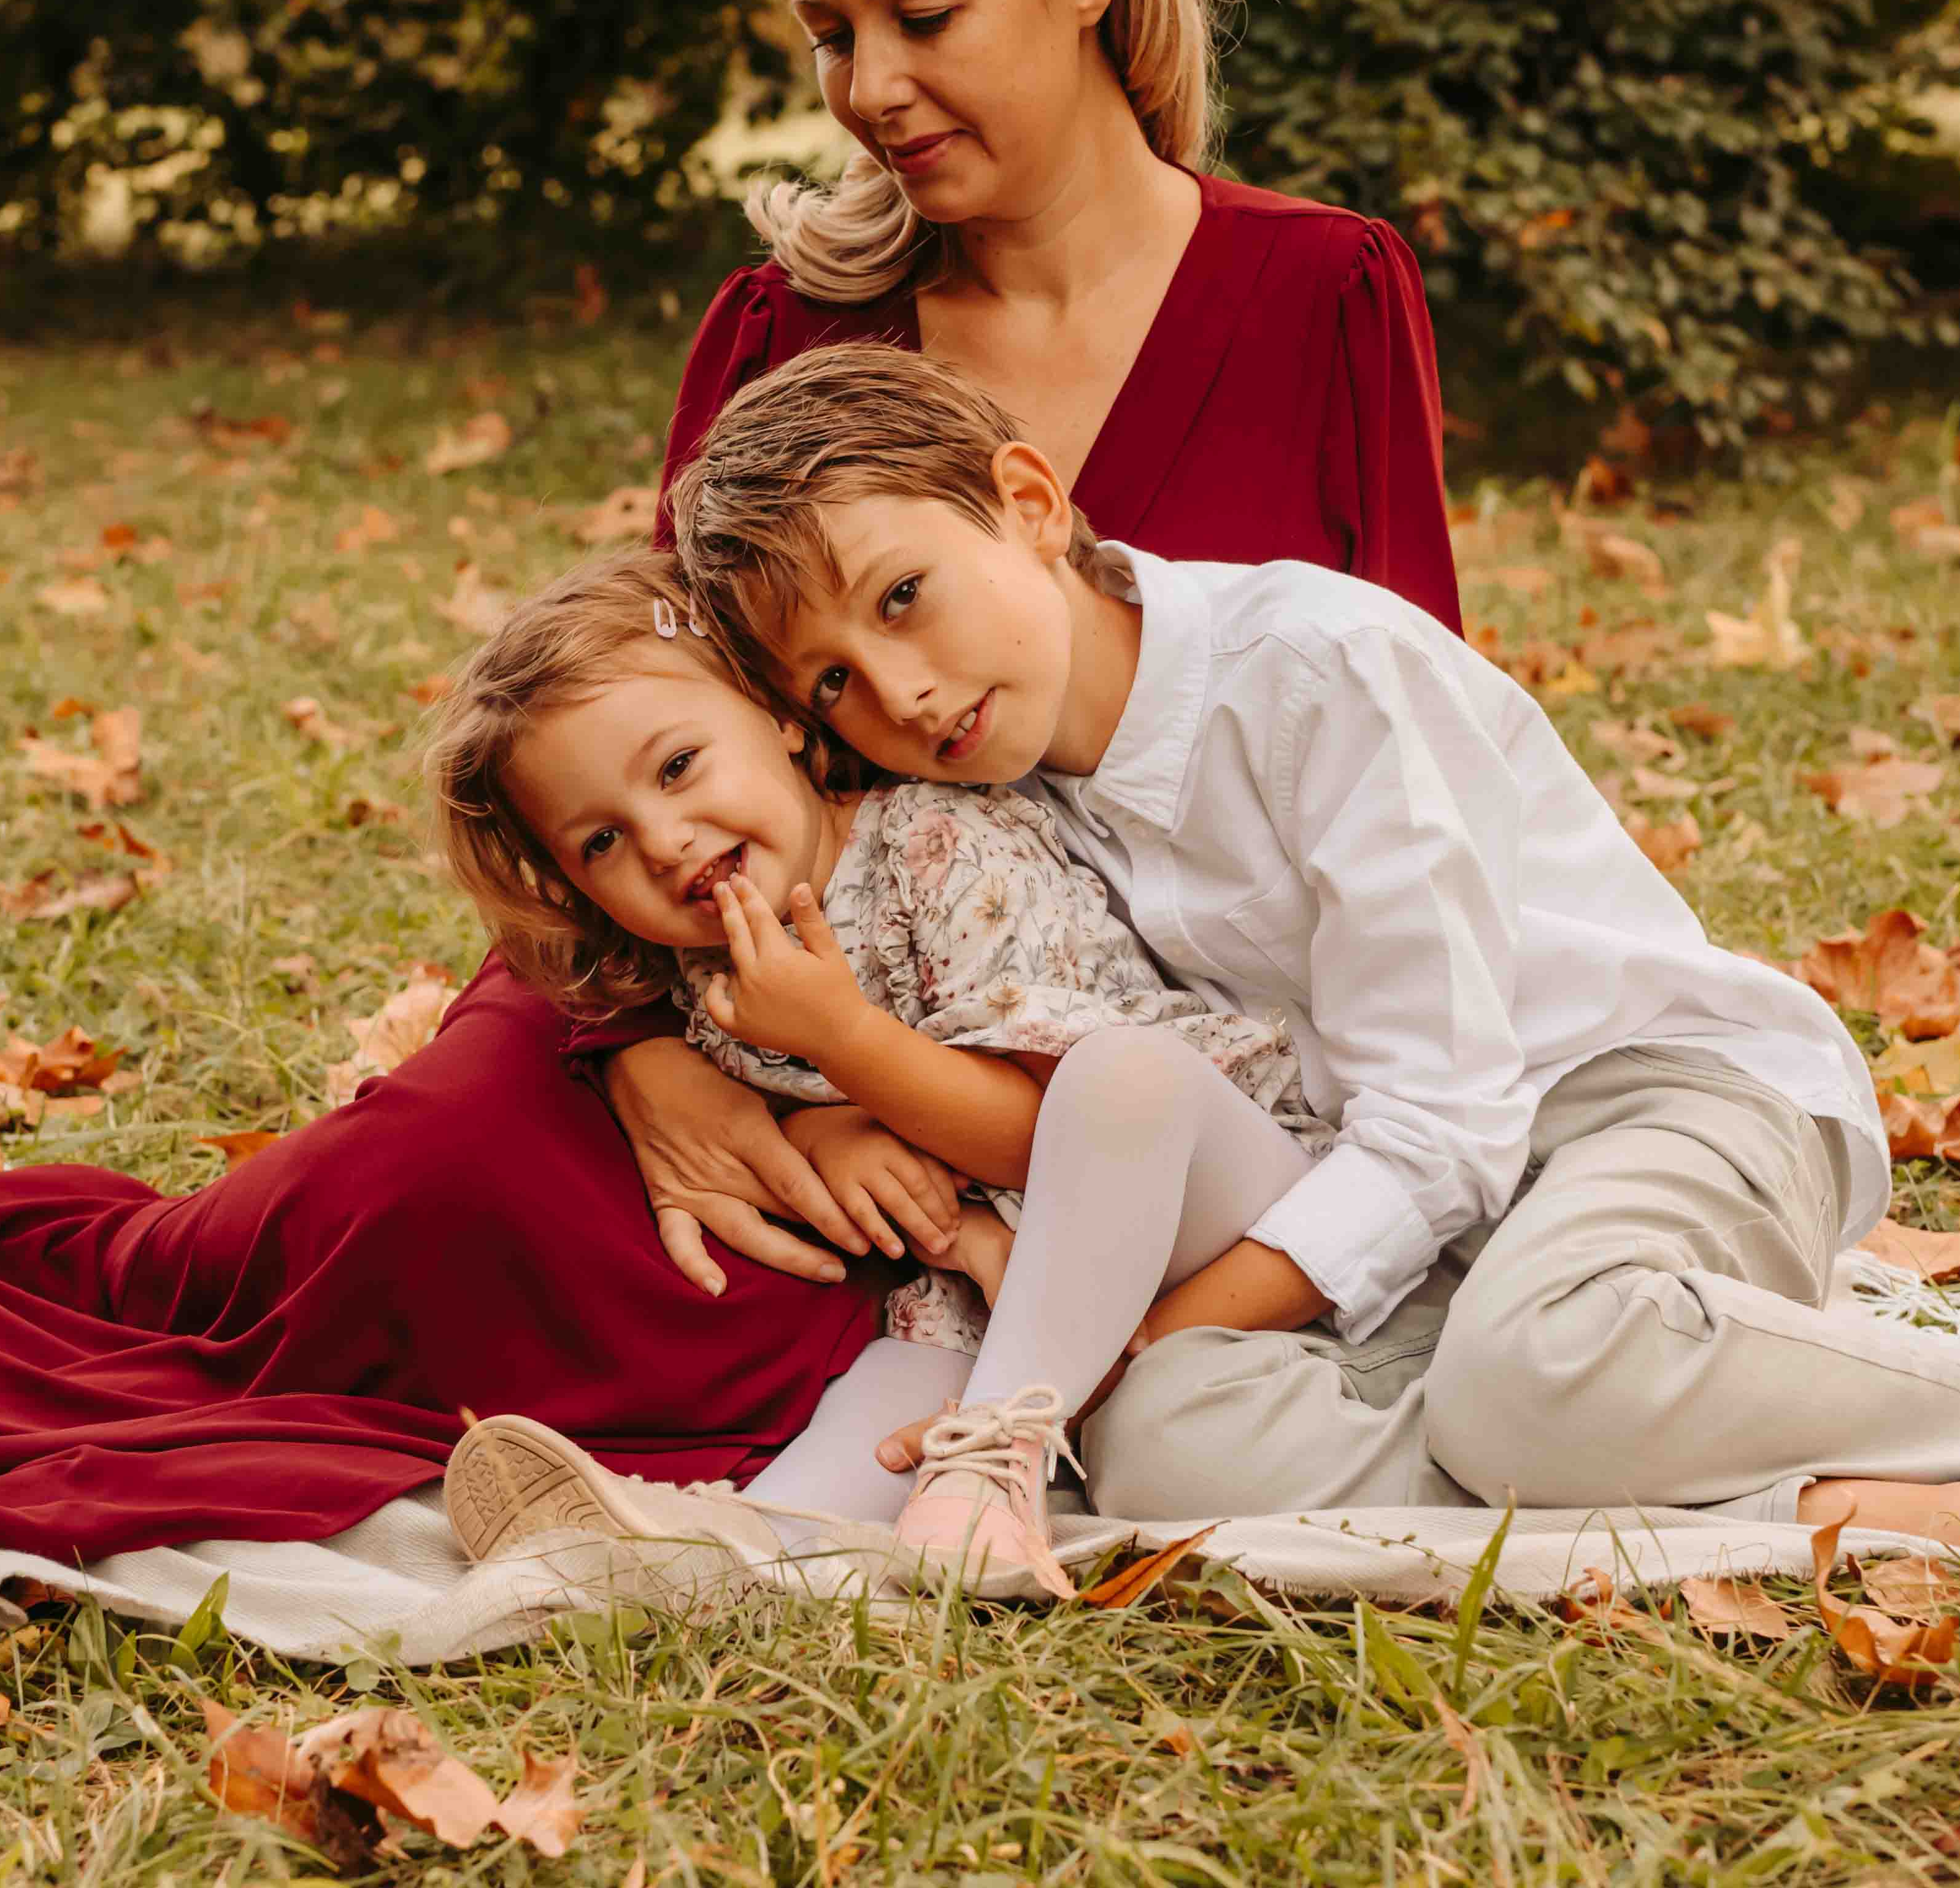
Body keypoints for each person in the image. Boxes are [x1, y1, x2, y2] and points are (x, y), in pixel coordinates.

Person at [0, 0, 1472, 1562]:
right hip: (745, 948)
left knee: (763, 1283)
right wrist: (651, 1064)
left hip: (1133, 1031)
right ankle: (3, 1265)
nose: (870, 89)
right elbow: (648, 729)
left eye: (922, 17)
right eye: (826, 35)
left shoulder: (1316, 289)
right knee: (444, 1166)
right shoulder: (785, 333)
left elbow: (1411, 733)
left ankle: (806, 1481)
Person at [636, 340, 1960, 1592]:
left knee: (1519, 1377)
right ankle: (1954, 1504)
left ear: (1026, 501)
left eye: (903, 598)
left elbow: (1444, 1134)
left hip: (1651, 1103)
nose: (899, 691)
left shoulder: (1311, 672)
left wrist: (1092, 1357)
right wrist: (671, 1065)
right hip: (1426, 1242)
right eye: (833, 687)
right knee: (1177, 1450)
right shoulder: (1005, 809)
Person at [425, 547, 1348, 1592]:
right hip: (1001, 1286)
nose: (667, 840)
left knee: (1119, 1077)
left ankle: (994, 1459)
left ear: (773, 715)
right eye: (601, 841)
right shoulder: (710, 972)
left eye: (679, 767)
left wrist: (847, 1052)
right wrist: (821, 1131)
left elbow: (1050, 1133)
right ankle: (709, 1552)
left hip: (1218, 1193)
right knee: (860, 1437)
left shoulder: (936, 845)